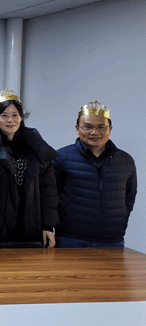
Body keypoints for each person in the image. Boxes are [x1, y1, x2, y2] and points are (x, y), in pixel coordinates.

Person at [0, 89, 59, 247]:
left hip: (31, 217)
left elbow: (49, 189)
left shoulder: (36, 146)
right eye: (4, 115)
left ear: (21, 117)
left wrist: (48, 226)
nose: (10, 120)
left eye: (15, 115)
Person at [52, 101, 137, 248]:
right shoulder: (61, 158)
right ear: (77, 129)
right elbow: (50, 197)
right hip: (70, 239)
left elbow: (129, 198)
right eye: (88, 127)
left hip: (112, 240)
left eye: (101, 127)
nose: (94, 132)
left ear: (110, 129)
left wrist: (120, 222)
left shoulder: (125, 160)